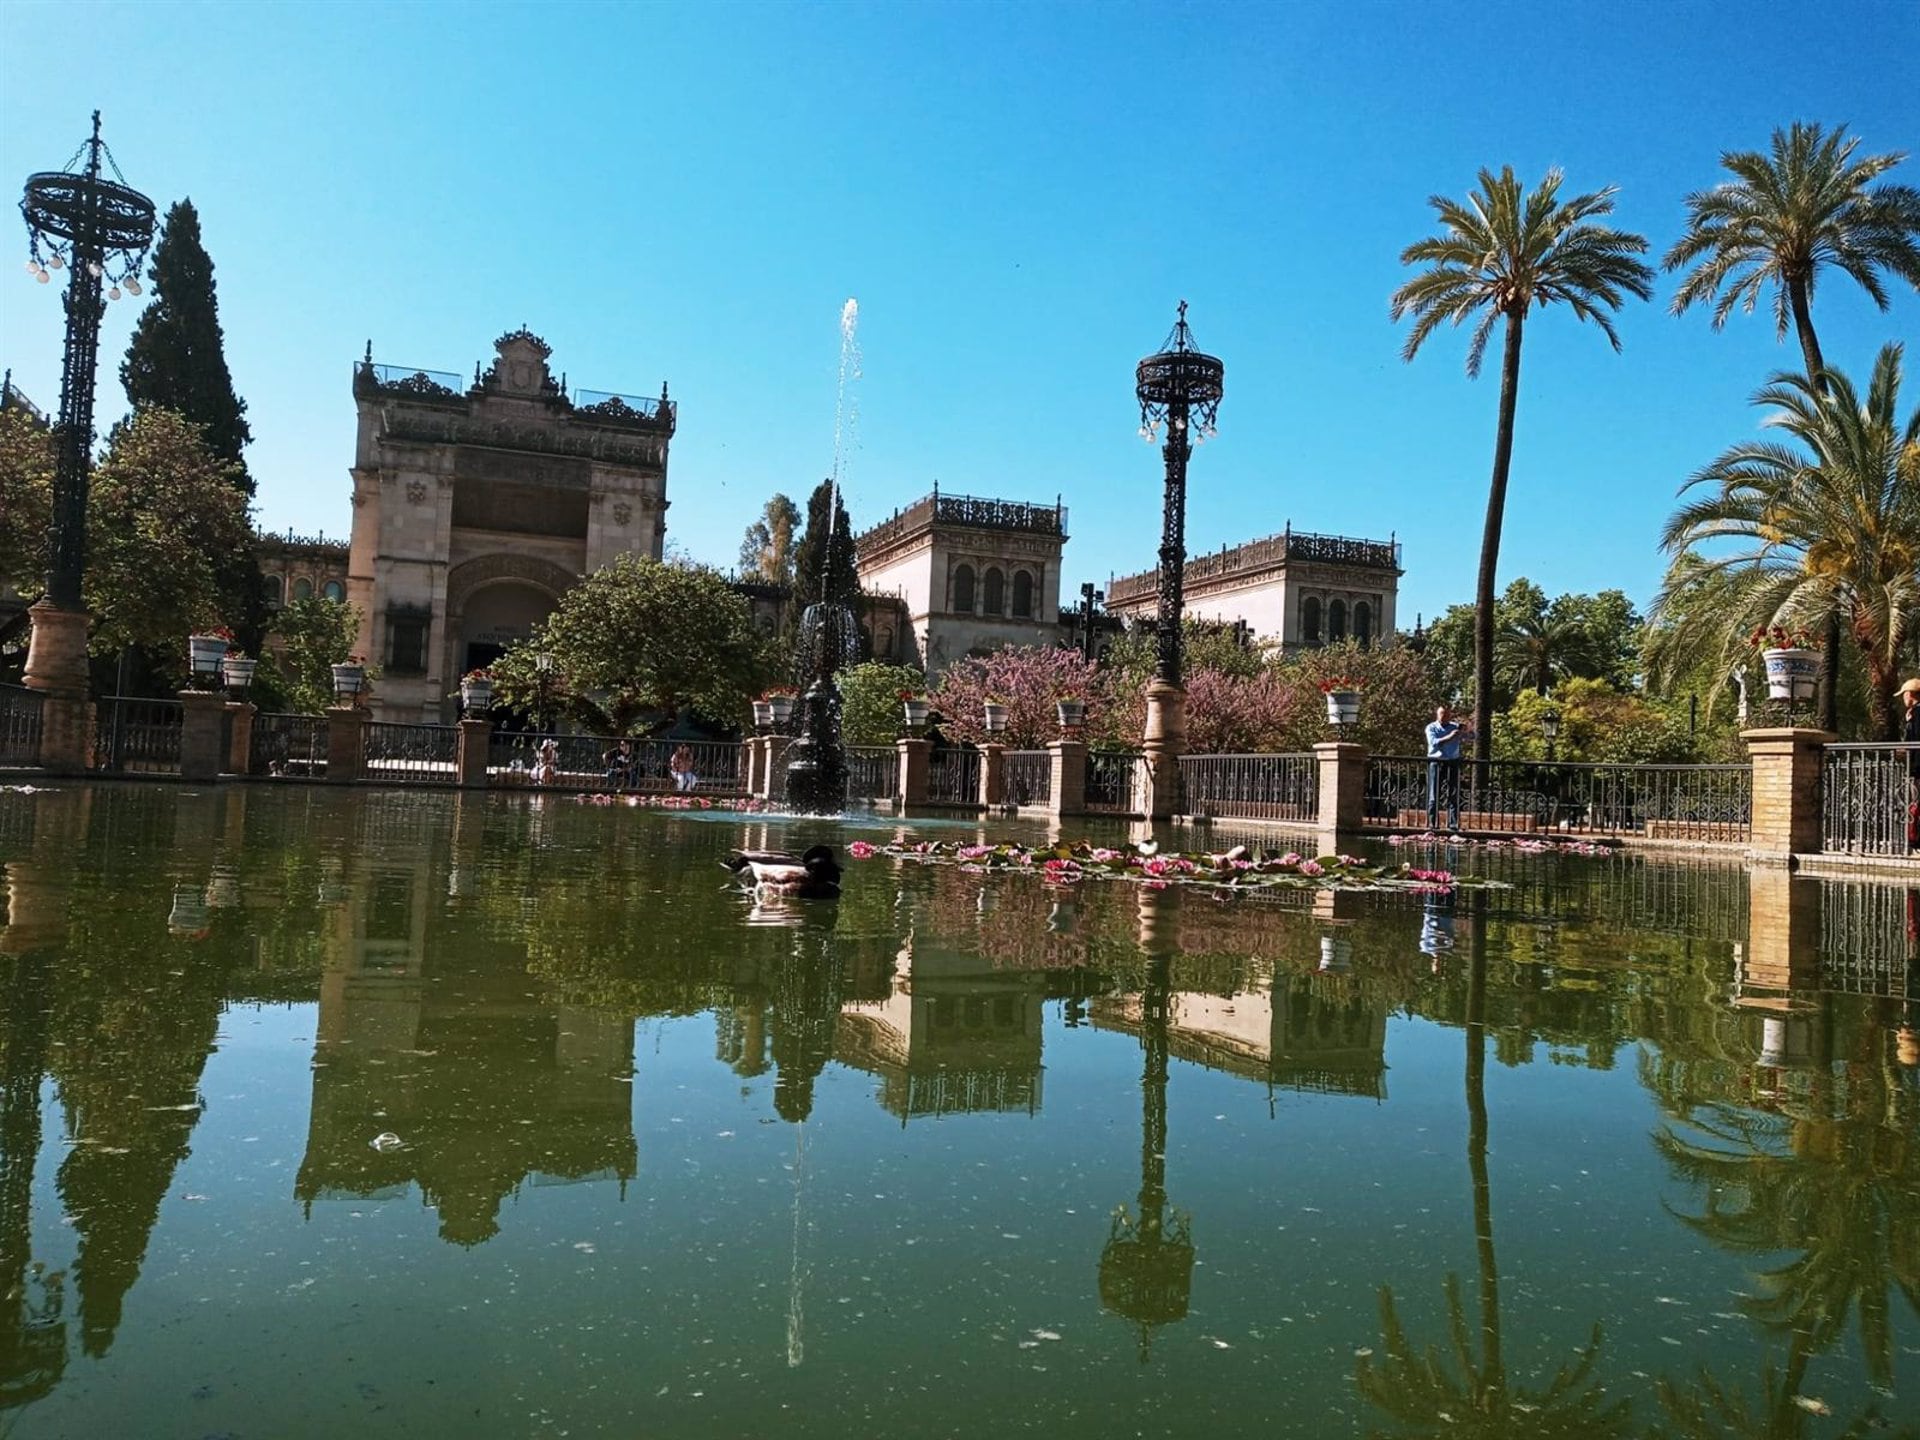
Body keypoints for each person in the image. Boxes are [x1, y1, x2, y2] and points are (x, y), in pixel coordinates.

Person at [1425, 704, 1469, 832]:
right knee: (1434, 794)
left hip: (1452, 762)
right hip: (1436, 761)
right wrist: (1450, 737)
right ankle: (1433, 824)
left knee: (1453, 793)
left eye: (1447, 714)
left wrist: (1467, 730)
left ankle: (1453, 824)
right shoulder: (1431, 727)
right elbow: (1433, 742)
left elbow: (1471, 738)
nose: (1445, 716)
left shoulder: (1455, 727)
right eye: (1442, 714)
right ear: (1438, 714)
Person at [1901, 677, 1920, 852]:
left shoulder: (1915, 714)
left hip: (1918, 767)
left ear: (1910, 694)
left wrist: (1909, 723)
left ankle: (1914, 840)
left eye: (1904, 695)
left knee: (1916, 802)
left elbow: (1909, 742)